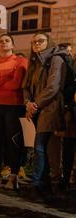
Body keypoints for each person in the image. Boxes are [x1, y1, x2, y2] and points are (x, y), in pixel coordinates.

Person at [23, 32, 67, 197]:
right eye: (33, 42)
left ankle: (38, 183)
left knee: (40, 145)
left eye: (40, 41)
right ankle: (47, 182)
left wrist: (34, 105)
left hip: (51, 108)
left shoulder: (56, 59)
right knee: (48, 146)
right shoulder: (34, 62)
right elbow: (26, 86)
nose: (36, 44)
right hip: (37, 109)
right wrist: (28, 102)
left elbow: (53, 87)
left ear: (48, 42)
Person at [0, 34, 28, 190]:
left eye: (7, 41)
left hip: (14, 106)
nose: (3, 43)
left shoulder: (20, 61)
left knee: (13, 142)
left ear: (13, 45)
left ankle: (13, 176)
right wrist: (6, 77)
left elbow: (16, 85)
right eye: (0, 41)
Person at [58, 42, 76, 193]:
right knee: (69, 146)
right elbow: (66, 86)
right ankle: (65, 179)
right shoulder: (70, 64)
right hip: (72, 109)